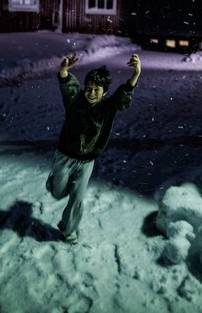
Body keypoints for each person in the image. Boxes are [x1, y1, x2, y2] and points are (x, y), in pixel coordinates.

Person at [46, 52, 141, 244]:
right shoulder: (75, 101)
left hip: (86, 161)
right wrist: (64, 70)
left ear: (104, 92)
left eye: (96, 89)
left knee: (77, 198)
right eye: (88, 88)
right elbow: (67, 87)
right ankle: (54, 181)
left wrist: (136, 74)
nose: (91, 92)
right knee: (58, 193)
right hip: (65, 155)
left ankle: (68, 229)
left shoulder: (107, 108)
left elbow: (123, 95)